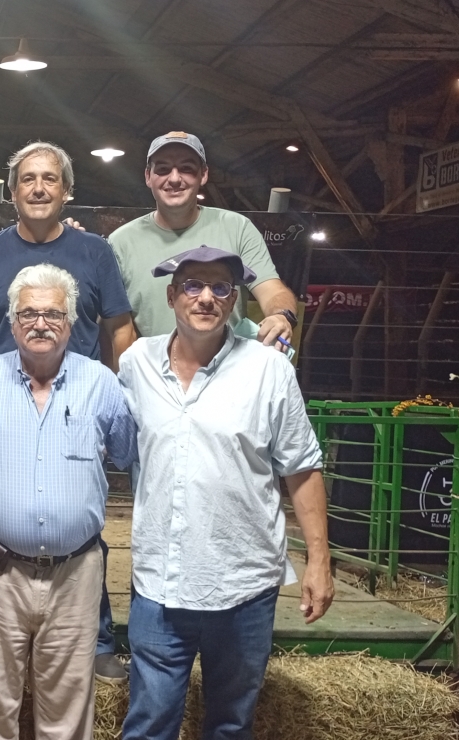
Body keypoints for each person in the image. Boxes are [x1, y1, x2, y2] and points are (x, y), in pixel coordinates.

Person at [117, 246, 334, 740]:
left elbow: (302, 468)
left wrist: (319, 562)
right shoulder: (136, 363)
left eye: (220, 288)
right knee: (148, 724)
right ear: (172, 296)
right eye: (193, 286)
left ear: (234, 300)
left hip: (243, 585)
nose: (206, 298)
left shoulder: (269, 370)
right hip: (160, 582)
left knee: (231, 725)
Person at [0, 140, 133, 683]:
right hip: (5, 401)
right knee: (2, 524)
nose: (37, 188)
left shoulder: (95, 252)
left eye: (49, 178)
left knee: (76, 526)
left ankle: (96, 637)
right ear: (11, 193)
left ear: (67, 190)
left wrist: (112, 396)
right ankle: (0, 637)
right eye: (27, 179)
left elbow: (119, 330)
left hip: (73, 399)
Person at [0, 264, 137, 739]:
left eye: (54, 314)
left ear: (72, 321)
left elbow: (126, 452)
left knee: (68, 700)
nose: (41, 323)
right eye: (29, 313)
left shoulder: (101, 383)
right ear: (12, 321)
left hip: (75, 572)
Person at [109, 131, 299, 347]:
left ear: (204, 174)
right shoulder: (120, 242)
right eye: (162, 169)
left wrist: (281, 315)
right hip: (151, 367)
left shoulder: (237, 228)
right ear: (148, 177)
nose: (174, 179)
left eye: (186, 168)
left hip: (227, 365)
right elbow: (115, 326)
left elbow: (271, 289)